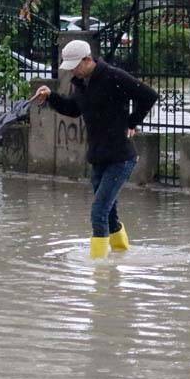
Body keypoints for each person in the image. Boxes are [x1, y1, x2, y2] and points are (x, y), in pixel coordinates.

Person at [34, 39, 158, 260]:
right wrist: (51, 96)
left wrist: (131, 122)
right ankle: (120, 256)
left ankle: (99, 268)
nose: (72, 71)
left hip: (121, 158)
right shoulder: (81, 83)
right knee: (109, 214)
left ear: (87, 59)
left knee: (98, 211)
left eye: (75, 66)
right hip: (99, 157)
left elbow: (149, 95)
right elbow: (73, 109)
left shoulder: (114, 76)